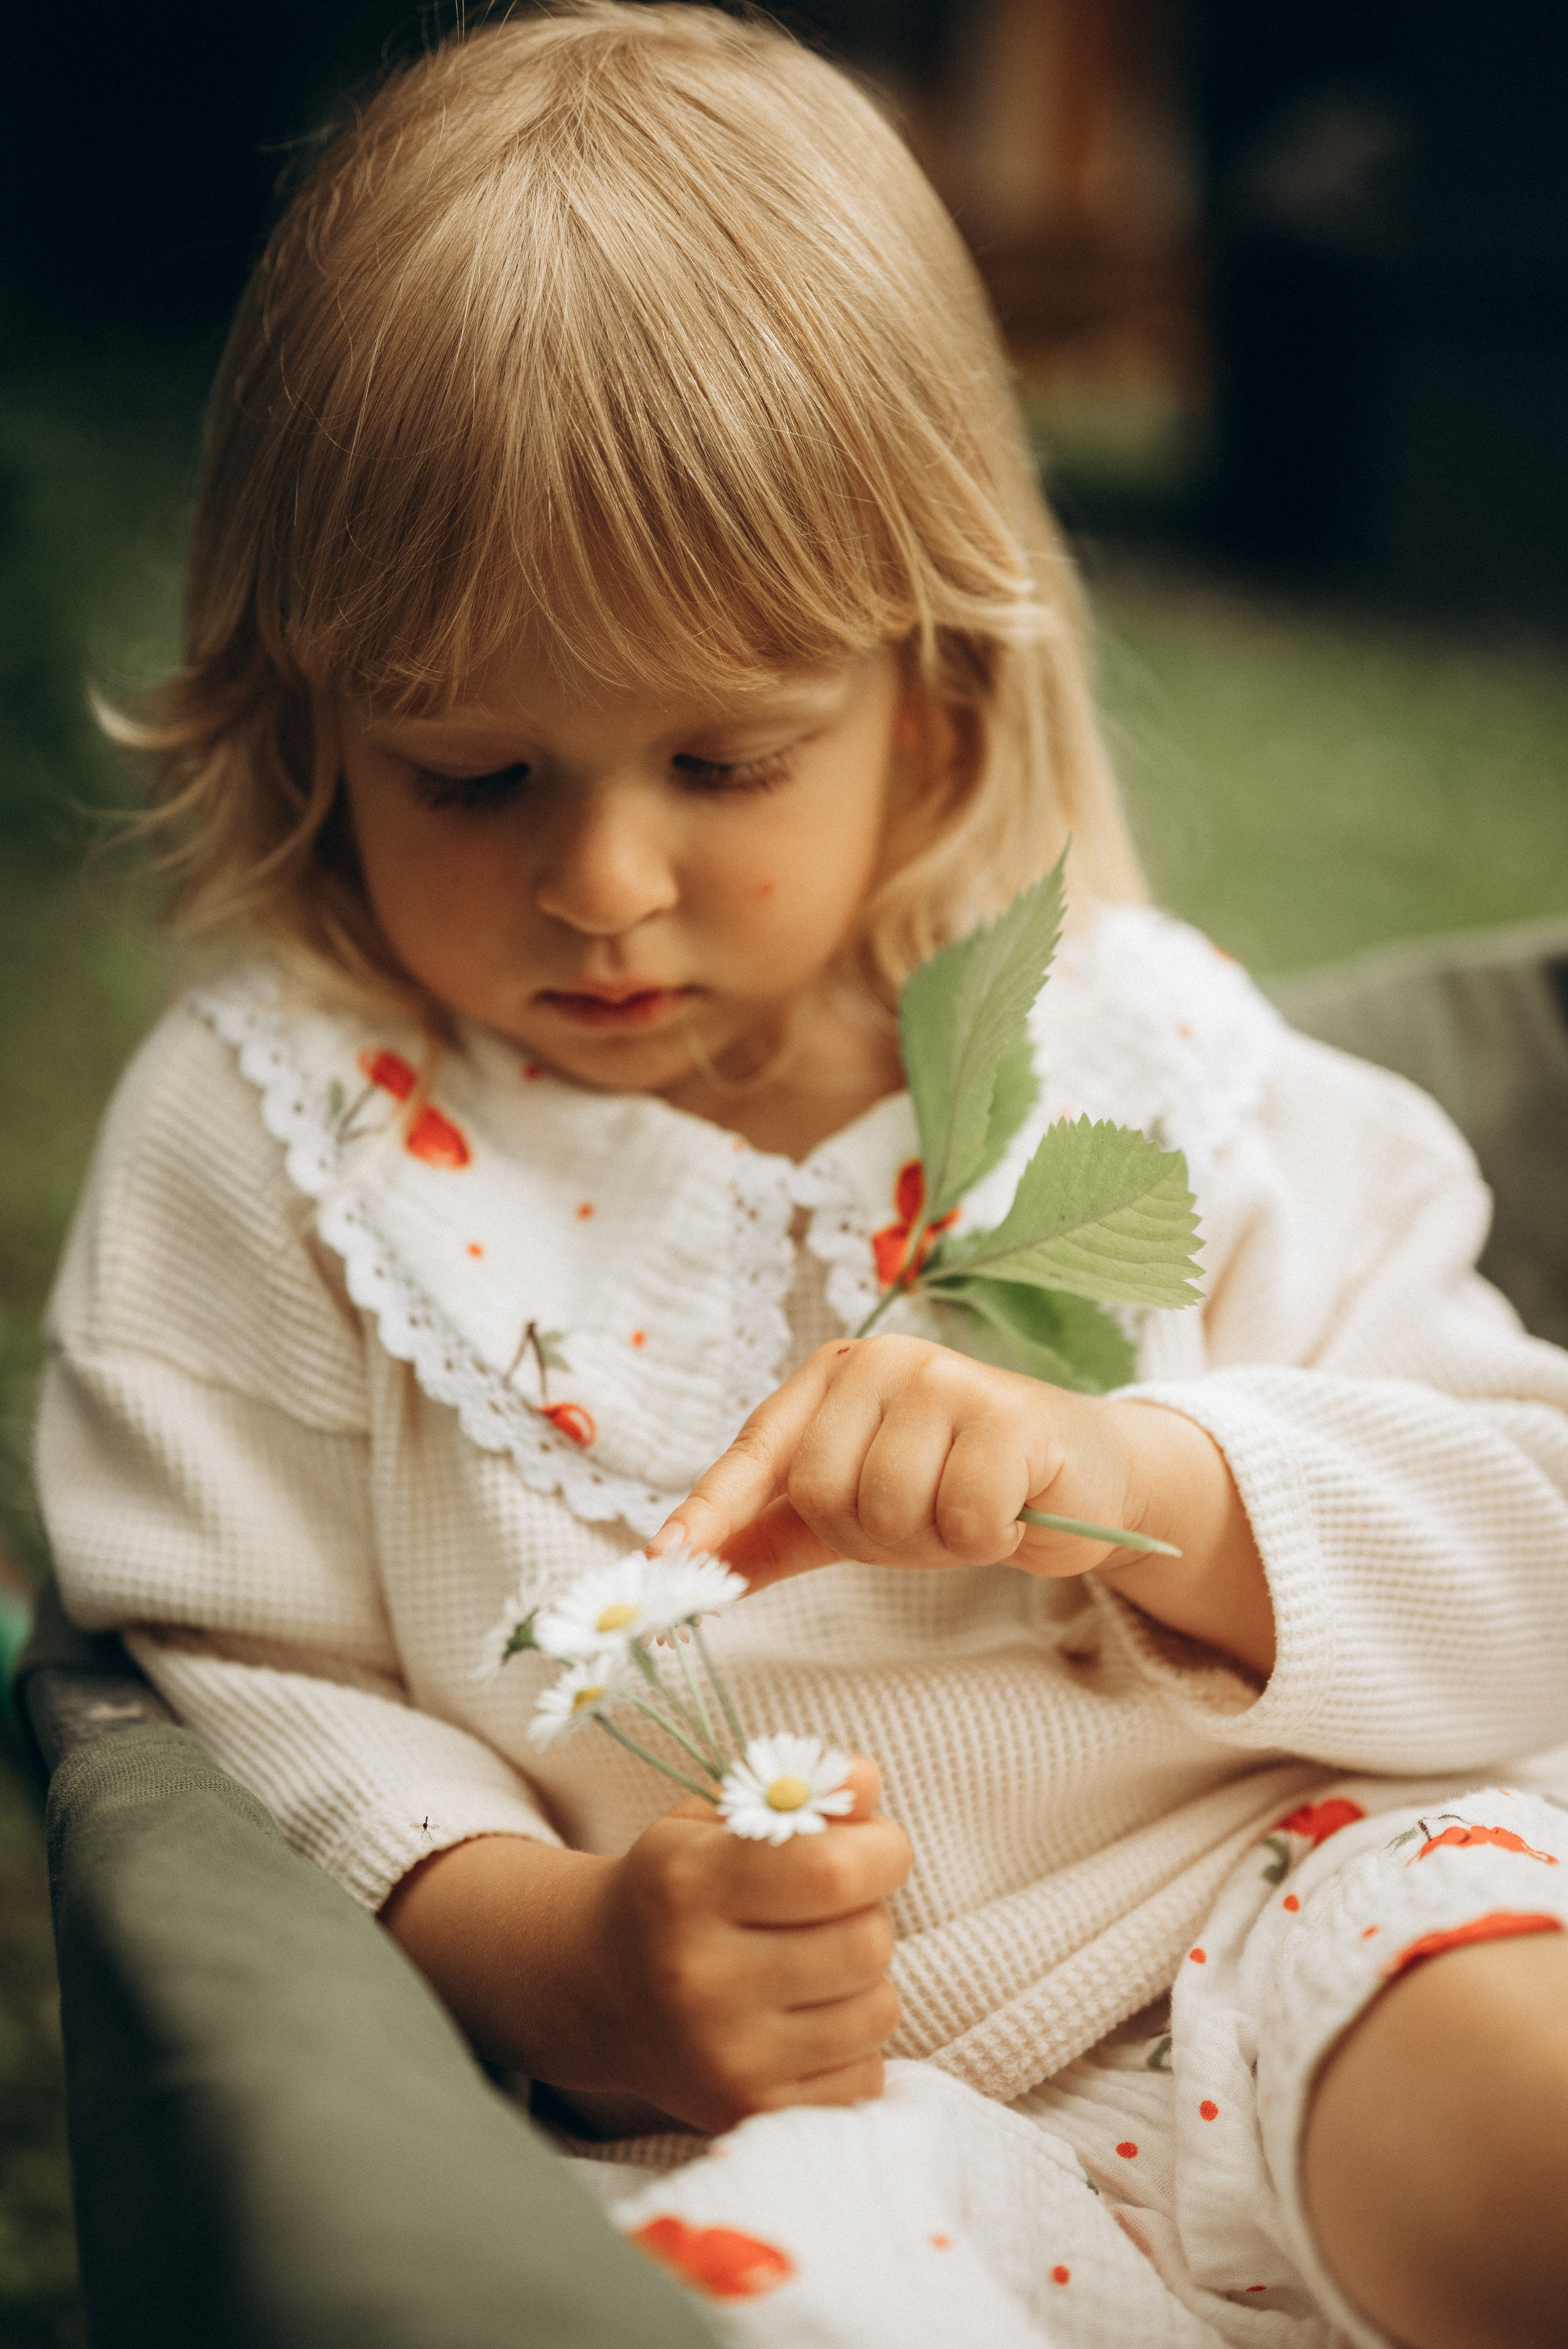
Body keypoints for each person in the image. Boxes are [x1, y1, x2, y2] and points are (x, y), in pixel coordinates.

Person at [34, 9, 1568, 2345]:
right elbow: (243, 1709)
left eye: (725, 760)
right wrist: (572, 1965)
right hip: (788, 2113)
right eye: (472, 774)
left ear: (929, 702)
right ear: (307, 721)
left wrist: (1139, 1476)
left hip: (1305, 1910)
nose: (604, 885)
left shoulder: (1127, 1065)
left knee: (1513, 2098)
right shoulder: (284, 1138)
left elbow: (1530, 1541)